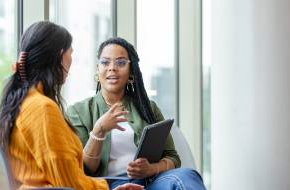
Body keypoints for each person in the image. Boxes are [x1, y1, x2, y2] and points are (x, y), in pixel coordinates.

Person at [0, 21, 143, 190]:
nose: (112, 69)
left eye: (121, 63)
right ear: (60, 57)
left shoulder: (26, 102)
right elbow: (68, 183)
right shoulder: (42, 109)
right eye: (71, 53)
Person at [66, 37, 206, 189]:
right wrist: (99, 130)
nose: (112, 68)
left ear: (131, 71)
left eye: (120, 63)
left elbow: (172, 157)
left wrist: (151, 169)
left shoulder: (148, 108)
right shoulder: (78, 112)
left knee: (186, 175)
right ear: (97, 69)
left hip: (150, 182)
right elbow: (84, 169)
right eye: (105, 62)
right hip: (106, 185)